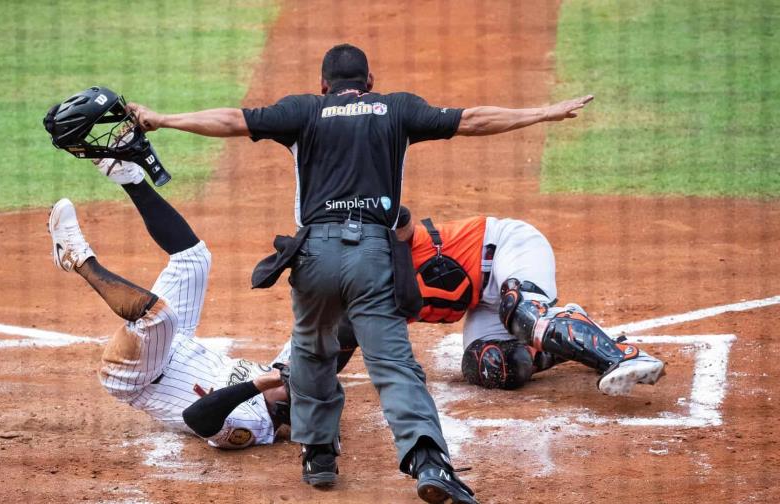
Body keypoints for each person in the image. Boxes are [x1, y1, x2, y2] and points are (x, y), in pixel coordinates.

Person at [125, 43, 592, 503]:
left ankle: (319, 457)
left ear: (324, 85)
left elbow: (231, 120)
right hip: (374, 254)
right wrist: (543, 113)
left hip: (314, 254)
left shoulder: (304, 110)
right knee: (393, 365)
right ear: (370, 83)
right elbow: (473, 120)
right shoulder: (397, 109)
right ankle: (429, 463)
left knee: (310, 355)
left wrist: (162, 119)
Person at [47, 148, 296, 450]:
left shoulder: (250, 425)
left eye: (287, 386)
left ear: (282, 409)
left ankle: (77, 258)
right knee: (194, 260)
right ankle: (127, 175)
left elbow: (198, 419)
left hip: (136, 376)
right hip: (177, 344)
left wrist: (258, 384)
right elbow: (327, 335)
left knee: (160, 316)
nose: (284, 378)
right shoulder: (282, 380)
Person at [393, 206, 665, 395]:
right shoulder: (362, 292)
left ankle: (623, 356)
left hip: (506, 247)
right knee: (489, 365)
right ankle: (565, 334)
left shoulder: (379, 242)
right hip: (482, 302)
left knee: (522, 313)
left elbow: (400, 216)